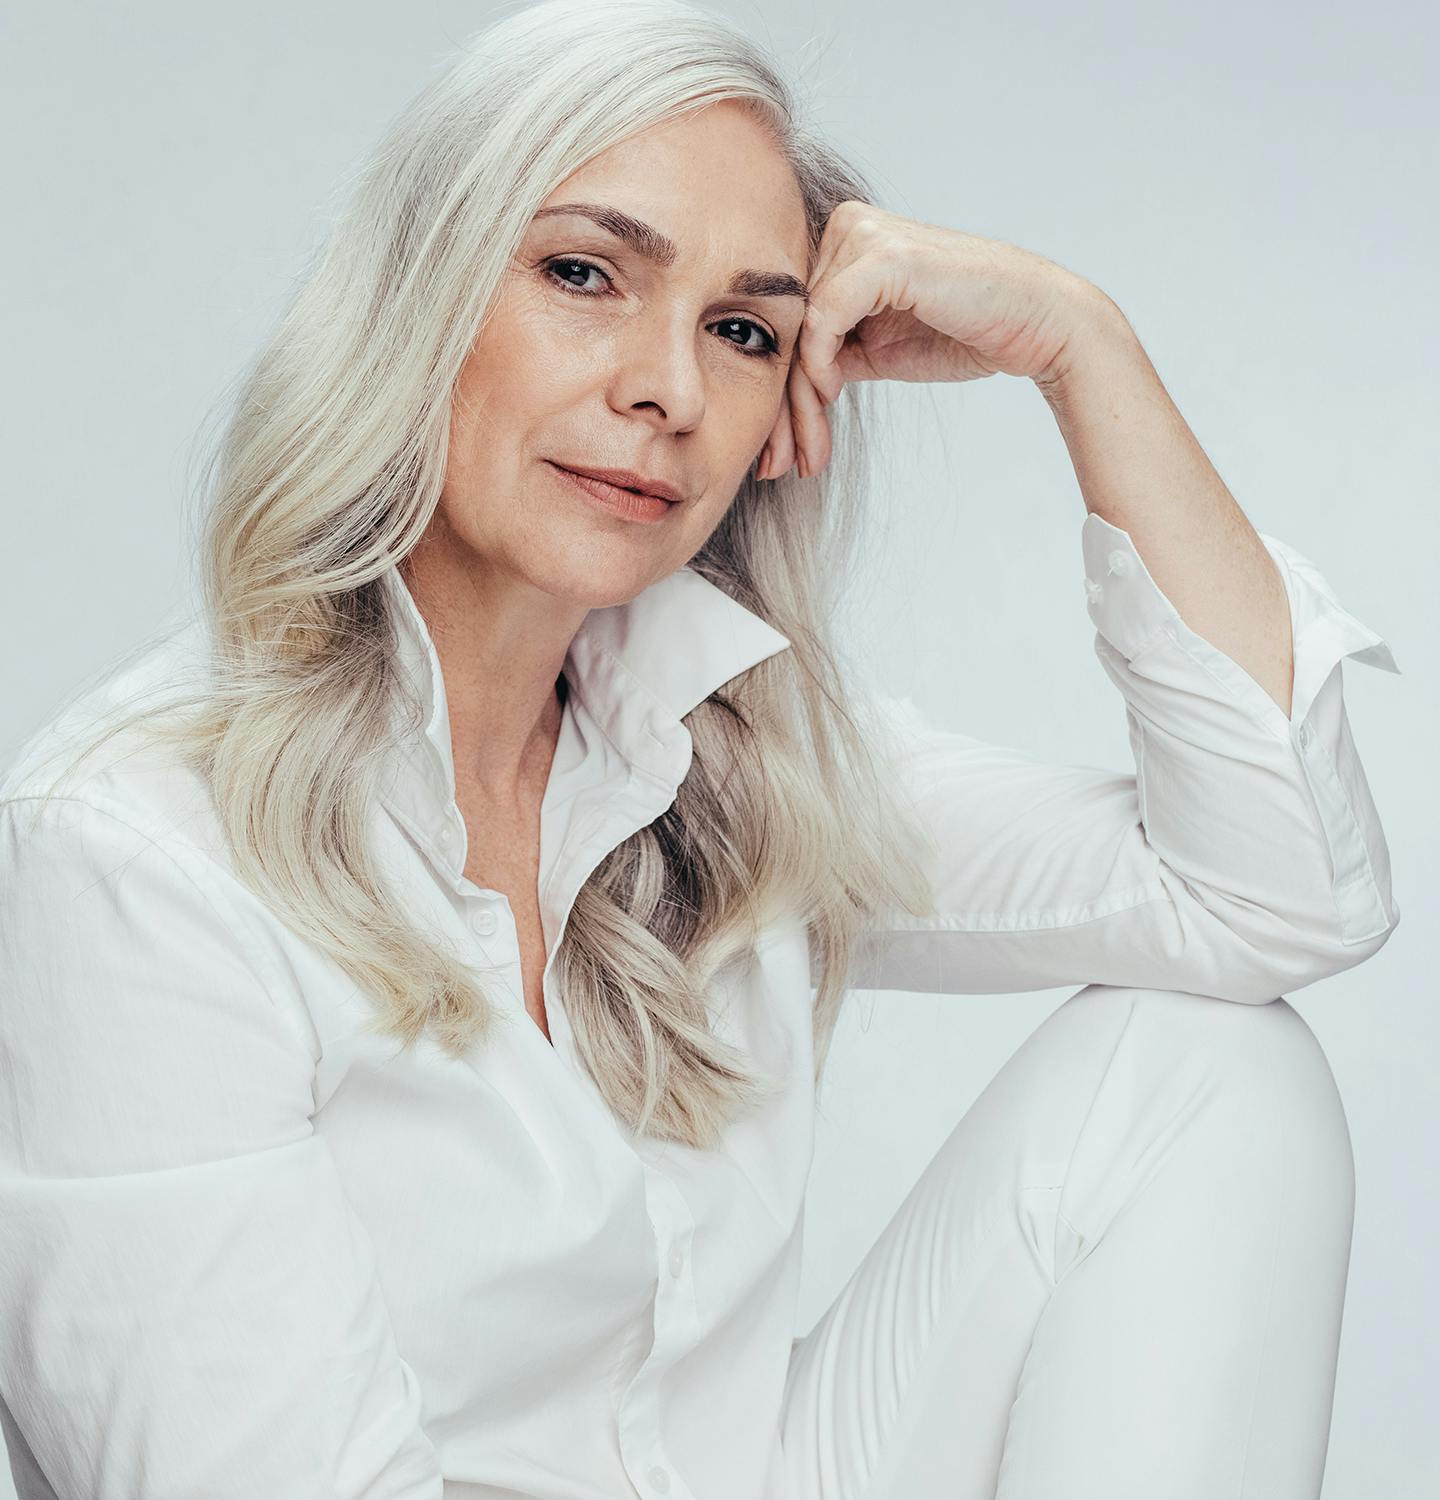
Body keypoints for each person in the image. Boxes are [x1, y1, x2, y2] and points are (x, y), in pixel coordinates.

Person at [0, 1, 1402, 1496]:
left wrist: (1077, 342)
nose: (669, 388)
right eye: (584, 274)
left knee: (1209, 1064)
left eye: (744, 333)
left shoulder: (731, 761)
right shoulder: (134, 860)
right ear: (418, 295)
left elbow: (1275, 894)